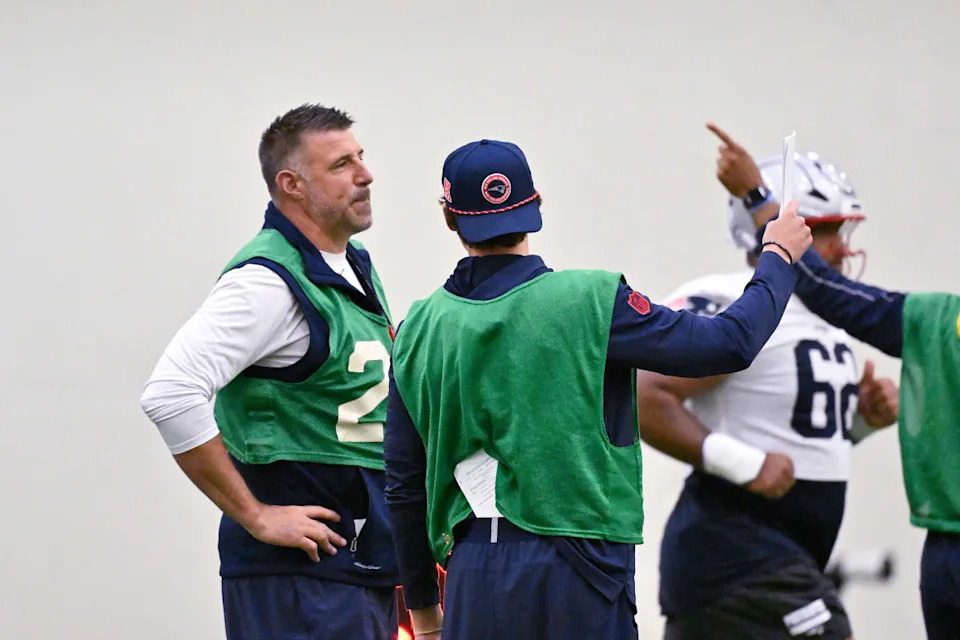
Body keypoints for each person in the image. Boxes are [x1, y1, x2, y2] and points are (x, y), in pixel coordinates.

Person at [382, 138, 812, 639]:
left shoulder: (416, 330)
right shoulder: (592, 302)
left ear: (450, 219)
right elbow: (729, 344)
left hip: (473, 572)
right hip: (578, 565)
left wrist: (424, 607)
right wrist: (777, 255)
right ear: (536, 204)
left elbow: (403, 481)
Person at [139, 103, 399, 639]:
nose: (365, 174)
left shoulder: (351, 263)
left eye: (361, 157)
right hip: (300, 579)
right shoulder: (265, 283)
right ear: (292, 185)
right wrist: (256, 515)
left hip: (355, 570)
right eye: (341, 164)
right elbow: (170, 394)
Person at [637, 123, 900, 640]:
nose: (843, 251)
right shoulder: (738, 298)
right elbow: (645, 393)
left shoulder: (829, 317)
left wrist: (862, 424)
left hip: (778, 561)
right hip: (733, 558)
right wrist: (744, 463)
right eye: (827, 232)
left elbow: (796, 441)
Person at [742, 162, 960, 640]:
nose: (842, 247)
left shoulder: (945, 320)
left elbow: (827, 292)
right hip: (943, 546)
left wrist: (758, 200)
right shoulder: (946, 320)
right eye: (827, 232)